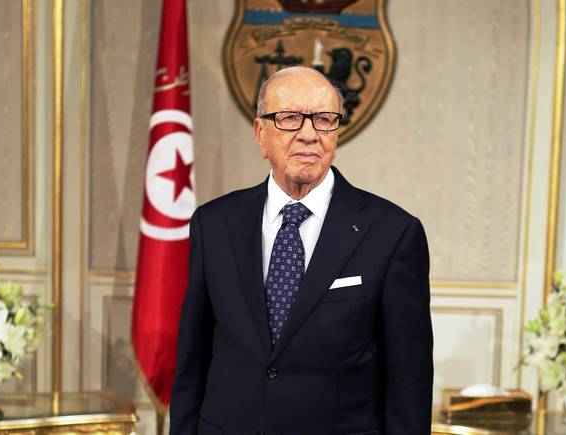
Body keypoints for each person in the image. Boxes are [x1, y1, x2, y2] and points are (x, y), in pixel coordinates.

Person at [169, 66, 433, 435]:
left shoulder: (393, 233)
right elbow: (192, 363)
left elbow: (409, 382)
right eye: (290, 119)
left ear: (336, 134)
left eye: (324, 120)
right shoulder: (213, 225)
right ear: (260, 134)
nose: (309, 134)